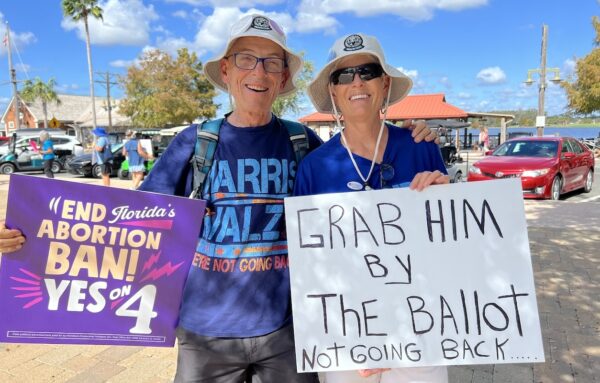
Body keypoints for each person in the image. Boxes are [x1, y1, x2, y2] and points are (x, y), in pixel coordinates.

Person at [0, 15, 436, 383]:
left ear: (284, 78)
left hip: (290, 330)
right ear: (226, 71)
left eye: (271, 62)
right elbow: (122, 225)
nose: (258, 73)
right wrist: (30, 233)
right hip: (204, 334)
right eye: (246, 59)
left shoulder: (304, 144)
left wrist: (421, 140)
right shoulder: (195, 142)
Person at [295, 33, 449, 383]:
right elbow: (310, 265)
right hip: (345, 331)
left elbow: (449, 241)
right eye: (343, 75)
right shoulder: (314, 167)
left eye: (367, 71)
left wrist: (448, 196)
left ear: (385, 83)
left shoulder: (420, 146)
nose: (357, 82)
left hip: (421, 326)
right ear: (333, 91)